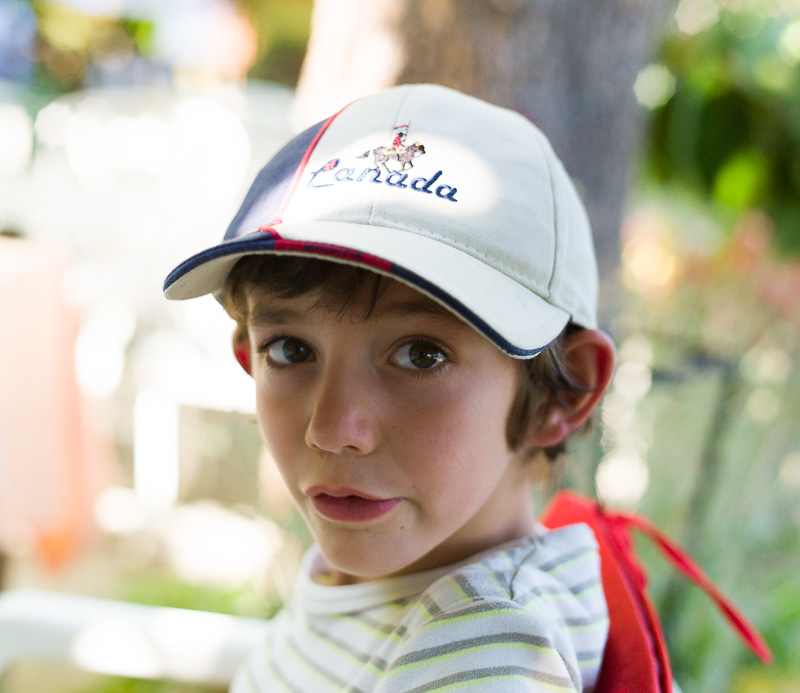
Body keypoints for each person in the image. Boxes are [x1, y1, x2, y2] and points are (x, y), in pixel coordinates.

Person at [163, 83, 617, 692]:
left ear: (564, 392)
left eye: (421, 355)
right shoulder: (390, 581)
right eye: (291, 350)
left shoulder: (481, 646)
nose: (332, 430)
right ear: (248, 355)